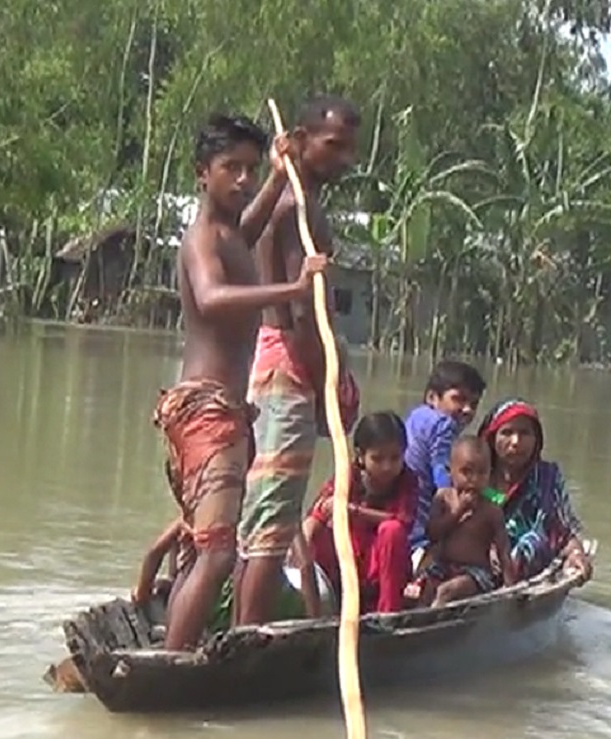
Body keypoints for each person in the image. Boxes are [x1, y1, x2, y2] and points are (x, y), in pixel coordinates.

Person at [152, 113, 329, 650]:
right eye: (232, 169)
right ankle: (173, 664)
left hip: (221, 410)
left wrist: (280, 173)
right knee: (218, 552)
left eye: (250, 170)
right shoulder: (202, 237)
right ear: (201, 173)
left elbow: (248, 234)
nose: (243, 180)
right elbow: (210, 298)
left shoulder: (231, 233)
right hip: (205, 411)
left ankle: (177, 646)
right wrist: (290, 290)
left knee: (202, 545)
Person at [240, 94, 361, 625]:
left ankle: (245, 627)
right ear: (300, 140)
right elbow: (301, 312)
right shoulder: (296, 208)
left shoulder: (293, 203)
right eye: (333, 146)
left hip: (278, 361)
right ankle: (245, 638)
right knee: (271, 523)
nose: (344, 160)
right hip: (288, 365)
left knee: (268, 514)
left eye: (349, 149)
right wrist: (329, 383)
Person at [301, 412, 418, 614]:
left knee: (392, 531)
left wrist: (354, 510)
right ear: (361, 456)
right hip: (349, 563)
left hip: (383, 568)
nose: (387, 466)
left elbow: (402, 521)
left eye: (395, 458)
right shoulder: (348, 477)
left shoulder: (407, 480)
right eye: (377, 459)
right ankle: (319, 609)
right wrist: (304, 540)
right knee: (317, 535)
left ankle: (387, 614)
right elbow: (316, 516)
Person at [130, 518, 325, 631]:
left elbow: (154, 553)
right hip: (279, 606)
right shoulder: (280, 508)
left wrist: (142, 592)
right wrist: (313, 623)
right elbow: (305, 565)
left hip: (218, 610)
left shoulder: (198, 514)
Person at [477, 399, 592, 581]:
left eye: (525, 433)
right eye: (507, 433)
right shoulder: (474, 476)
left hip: (526, 568)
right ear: (492, 438)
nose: (515, 442)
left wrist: (576, 555)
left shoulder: (547, 478)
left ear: (536, 439)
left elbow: (561, 531)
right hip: (477, 565)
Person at [405, 437, 515, 607]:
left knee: (448, 590)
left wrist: (510, 585)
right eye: (466, 472)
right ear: (451, 472)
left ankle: (434, 622)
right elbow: (432, 533)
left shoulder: (492, 510)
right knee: (422, 590)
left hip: (475, 573)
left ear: (490, 474)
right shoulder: (443, 498)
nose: (474, 479)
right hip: (442, 566)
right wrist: (458, 512)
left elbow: (503, 548)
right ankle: (414, 622)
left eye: (481, 473)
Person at [404, 360, 487, 560]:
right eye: (459, 399)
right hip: (418, 523)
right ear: (432, 397)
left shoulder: (416, 416)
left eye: (474, 404)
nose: (467, 410)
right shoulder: (444, 424)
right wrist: (493, 496)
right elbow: (442, 472)